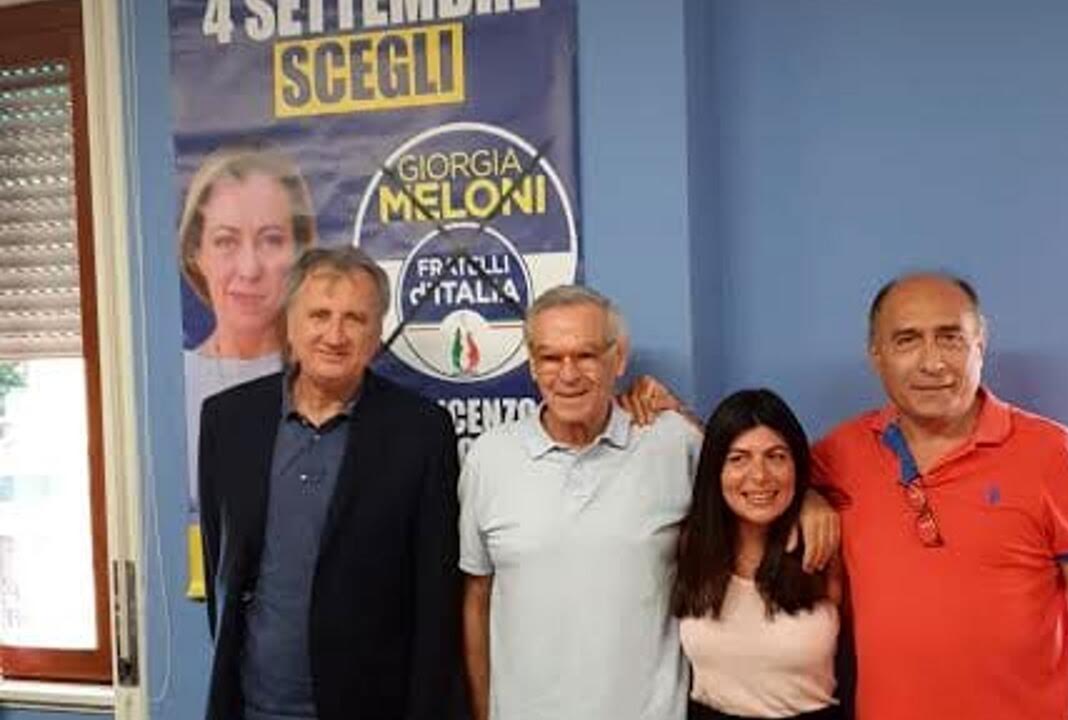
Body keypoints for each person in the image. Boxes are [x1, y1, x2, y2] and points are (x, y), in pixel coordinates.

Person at [458, 285, 839, 720]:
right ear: (531, 363)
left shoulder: (673, 442)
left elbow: (747, 479)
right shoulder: (488, 458)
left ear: (618, 358)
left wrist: (807, 498)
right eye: (550, 357)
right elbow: (477, 596)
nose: (568, 374)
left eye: (586, 355)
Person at [810, 272, 1068, 720]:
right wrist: (807, 498)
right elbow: (757, 483)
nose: (932, 362)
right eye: (907, 340)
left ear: (980, 344)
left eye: (950, 338)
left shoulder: (1052, 452)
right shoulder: (839, 454)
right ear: (876, 355)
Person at [198, 246, 460, 720]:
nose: (335, 336)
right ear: (290, 324)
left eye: (354, 319)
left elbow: (435, 601)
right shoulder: (227, 420)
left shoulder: (422, 431)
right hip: (254, 708)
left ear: (376, 334)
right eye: (319, 315)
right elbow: (223, 565)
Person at [674, 389, 842, 720]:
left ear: (797, 465)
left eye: (776, 456)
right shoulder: (690, 546)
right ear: (715, 470)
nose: (760, 475)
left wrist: (810, 498)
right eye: (738, 458)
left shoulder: (825, 547)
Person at [181, 146, 316, 523]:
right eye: (226, 241)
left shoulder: (329, 377)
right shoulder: (168, 388)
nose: (249, 268)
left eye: (271, 240)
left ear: (301, 251)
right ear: (196, 253)